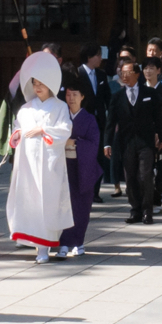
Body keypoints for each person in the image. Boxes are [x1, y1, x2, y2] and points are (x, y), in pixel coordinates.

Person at [4, 51, 73, 264]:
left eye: (42, 83)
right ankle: (36, 244)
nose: (38, 87)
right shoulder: (25, 108)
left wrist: (43, 130)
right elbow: (17, 128)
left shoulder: (60, 106)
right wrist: (18, 134)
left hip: (48, 165)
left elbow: (65, 129)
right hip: (27, 163)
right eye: (35, 83)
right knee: (29, 201)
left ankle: (45, 247)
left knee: (47, 202)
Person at [102, 58, 162, 226]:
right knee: (130, 177)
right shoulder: (117, 96)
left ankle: (147, 211)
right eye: (122, 72)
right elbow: (110, 122)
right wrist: (107, 143)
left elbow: (158, 119)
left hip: (146, 142)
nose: (124, 75)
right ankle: (135, 210)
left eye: (128, 72)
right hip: (126, 143)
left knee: (145, 175)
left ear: (137, 74)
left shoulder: (150, 93)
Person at [56, 74, 102, 259]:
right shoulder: (61, 117)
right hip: (63, 167)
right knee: (63, 205)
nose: (71, 98)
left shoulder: (89, 119)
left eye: (75, 94)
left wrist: (73, 142)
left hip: (83, 167)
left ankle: (78, 242)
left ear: (82, 96)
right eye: (68, 94)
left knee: (81, 206)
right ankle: (63, 242)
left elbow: (94, 144)